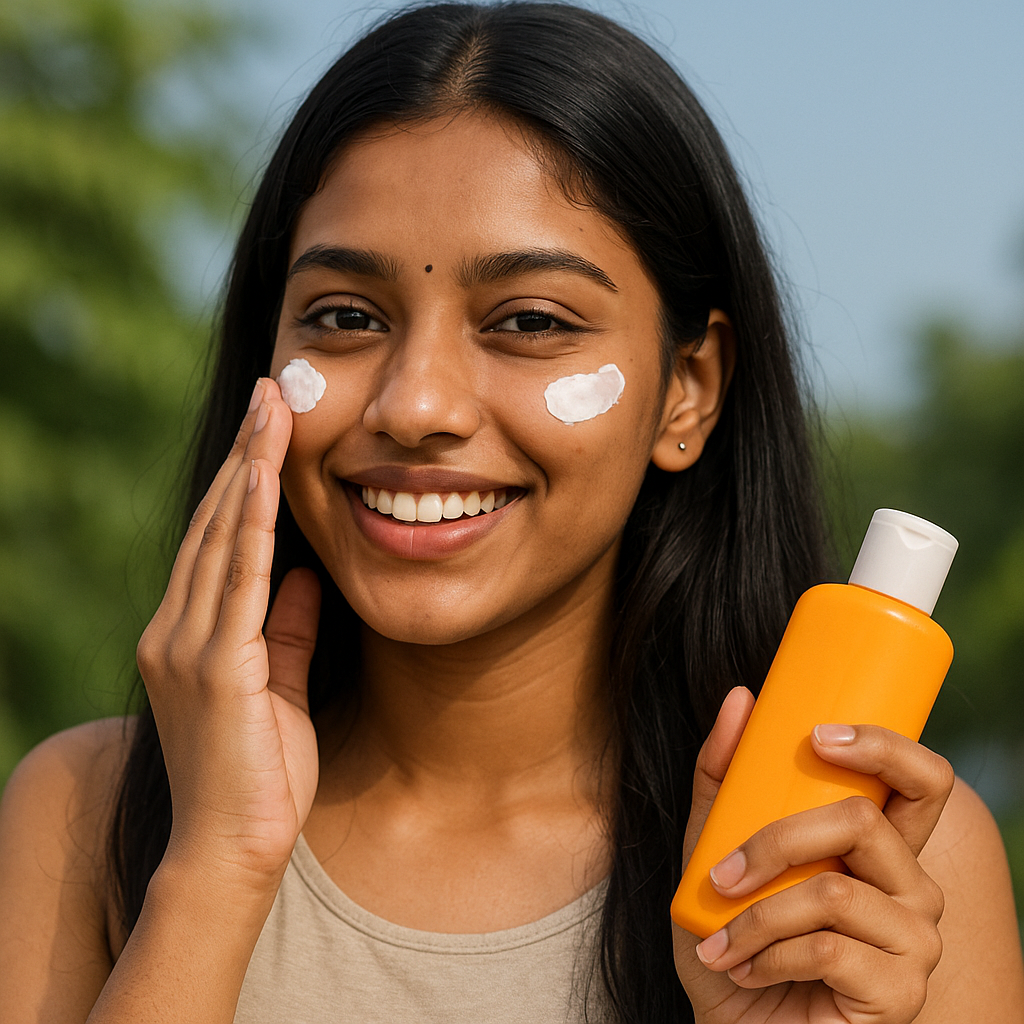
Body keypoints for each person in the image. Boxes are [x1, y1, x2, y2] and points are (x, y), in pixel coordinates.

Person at [1, 3, 1021, 1022]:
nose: (416, 406)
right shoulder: (84, 812)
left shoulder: (867, 872)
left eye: (529, 321)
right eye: (345, 316)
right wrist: (213, 868)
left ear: (689, 390)